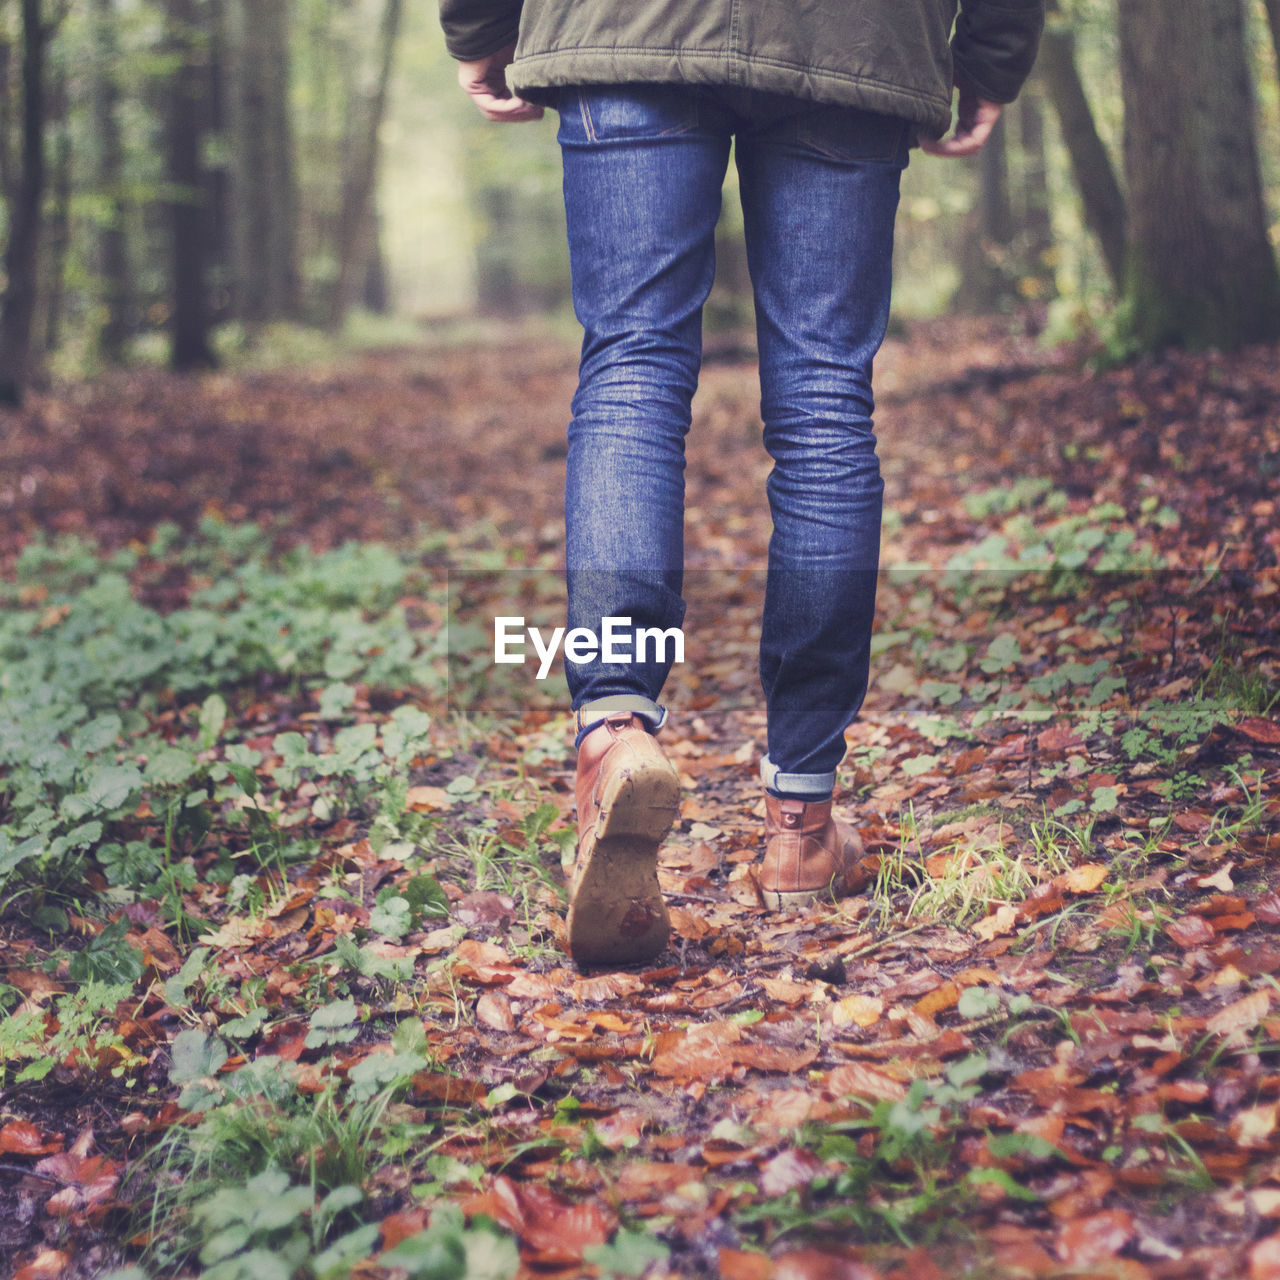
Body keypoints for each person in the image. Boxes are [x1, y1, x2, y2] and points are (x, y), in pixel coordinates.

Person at [439, 0, 1044, 967]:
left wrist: (481, 26)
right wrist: (990, 55)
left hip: (625, 26)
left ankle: (614, 730)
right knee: (824, 403)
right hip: (853, 36)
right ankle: (802, 817)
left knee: (632, 368)